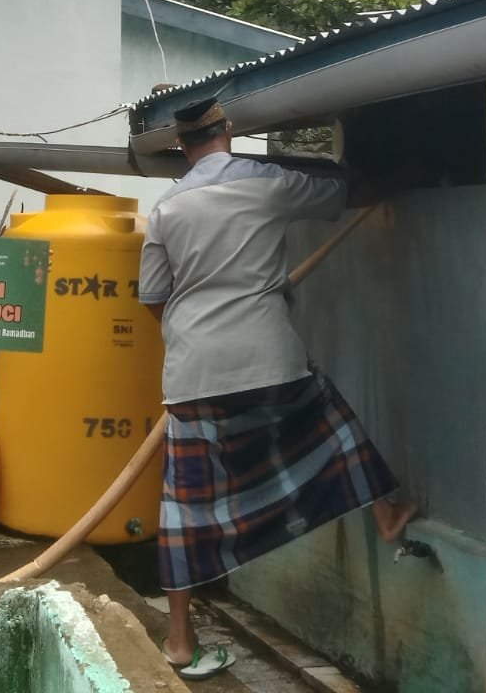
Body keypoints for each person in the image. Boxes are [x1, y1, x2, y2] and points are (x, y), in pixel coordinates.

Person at [139, 97, 414, 680]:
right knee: (334, 429)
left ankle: (181, 642)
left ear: (182, 147)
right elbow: (344, 194)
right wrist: (405, 180)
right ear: (229, 132)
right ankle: (387, 513)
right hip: (268, 359)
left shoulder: (165, 209)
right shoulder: (265, 182)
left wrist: (191, 338)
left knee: (186, 508)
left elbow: (152, 298)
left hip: (192, 373)